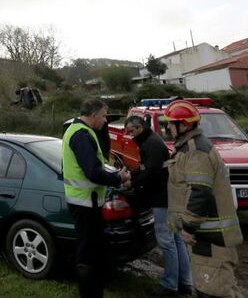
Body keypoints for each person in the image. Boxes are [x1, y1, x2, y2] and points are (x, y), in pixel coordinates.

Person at [164, 100, 243, 298]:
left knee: (214, 291)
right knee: (214, 288)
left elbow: (200, 192)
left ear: (185, 125)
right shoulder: (188, 148)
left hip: (210, 237)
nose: (167, 127)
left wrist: (188, 227)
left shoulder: (196, 151)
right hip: (205, 236)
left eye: (171, 123)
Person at [62, 98, 130, 298]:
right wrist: (118, 178)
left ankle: (94, 290)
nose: (104, 120)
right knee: (87, 251)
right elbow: (92, 172)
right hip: (85, 202)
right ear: (92, 116)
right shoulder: (81, 135)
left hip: (86, 200)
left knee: (92, 249)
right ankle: (89, 293)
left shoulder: (80, 131)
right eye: (102, 116)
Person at [125, 115, 193, 296]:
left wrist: (133, 183)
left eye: (132, 131)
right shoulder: (151, 141)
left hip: (162, 200)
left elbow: (151, 173)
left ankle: (170, 285)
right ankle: (185, 283)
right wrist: (133, 174)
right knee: (177, 241)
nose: (131, 136)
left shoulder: (151, 144)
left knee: (167, 241)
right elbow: (146, 168)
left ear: (140, 128)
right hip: (169, 197)